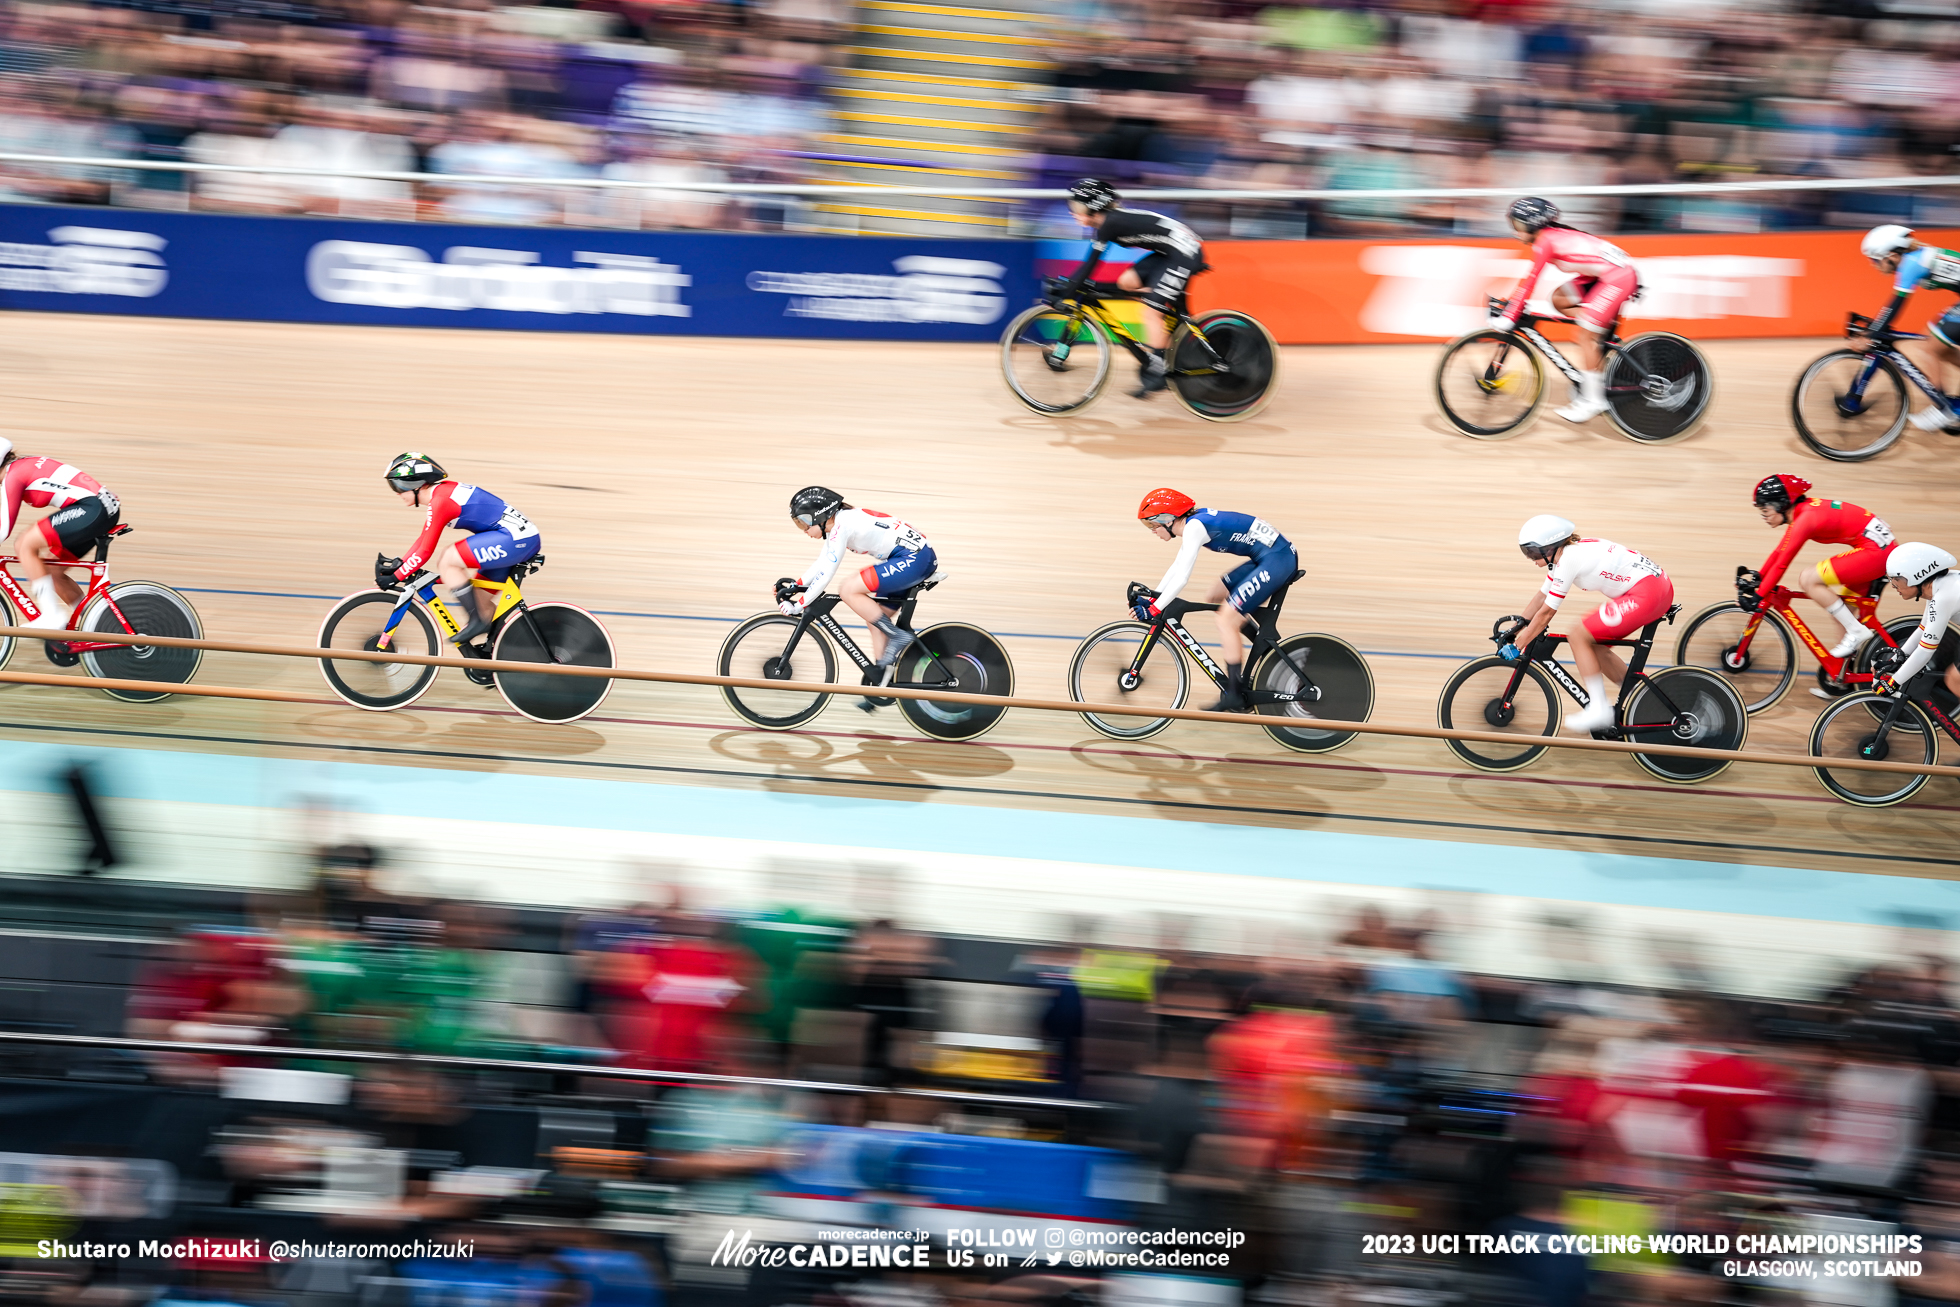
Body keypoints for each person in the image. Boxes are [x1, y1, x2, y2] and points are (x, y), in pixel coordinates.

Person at [1504, 515, 1674, 734]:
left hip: (1648, 594)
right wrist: (1516, 627)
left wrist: (1517, 645)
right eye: (1526, 552)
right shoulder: (1565, 554)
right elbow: (1541, 597)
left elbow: (1546, 613)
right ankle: (1642, 699)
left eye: (1533, 553)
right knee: (1593, 645)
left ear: (1551, 548)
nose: (1531, 559)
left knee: (1578, 634)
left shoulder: (1568, 559)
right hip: (1653, 588)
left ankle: (1599, 708)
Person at [1133, 488, 1298, 713]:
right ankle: (1261, 642)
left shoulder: (1194, 527)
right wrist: (1155, 597)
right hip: (1269, 556)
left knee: (1225, 621)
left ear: (1167, 519)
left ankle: (1234, 693)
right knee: (1214, 595)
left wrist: (1154, 608)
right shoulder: (1192, 524)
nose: (1152, 530)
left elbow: (1182, 577)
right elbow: (1177, 566)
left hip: (1278, 559)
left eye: (1151, 524)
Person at [1490, 197, 1641, 424]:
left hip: (1617, 278)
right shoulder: (1550, 235)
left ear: (1534, 225)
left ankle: (1593, 400)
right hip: (1605, 275)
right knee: (1559, 300)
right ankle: (1597, 338)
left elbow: (1530, 281)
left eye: (1519, 226)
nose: (1516, 232)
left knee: (1584, 336)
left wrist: (1510, 314)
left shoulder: (1545, 240)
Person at [1056, 178, 1206, 399]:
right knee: (1127, 283)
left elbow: (1090, 266)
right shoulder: (1105, 223)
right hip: (1171, 252)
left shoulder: (1109, 223)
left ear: (1093, 207)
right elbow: (1088, 267)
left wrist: (1066, 292)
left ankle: (1158, 366)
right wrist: (1068, 288)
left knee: (1150, 312)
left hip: (1185, 252)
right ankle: (1164, 330)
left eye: (1076, 207)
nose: (1072, 212)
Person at [381, 453, 540, 645]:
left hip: (515, 539)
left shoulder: (441, 501)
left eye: (399, 486)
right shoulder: (440, 495)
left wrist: (395, 577)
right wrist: (400, 567)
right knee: (483, 607)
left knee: (447, 559)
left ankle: (477, 621)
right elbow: (423, 541)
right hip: (515, 538)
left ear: (418, 484)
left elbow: (425, 552)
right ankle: (493, 653)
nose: (397, 492)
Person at [778, 486, 936, 674]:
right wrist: (796, 586)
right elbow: (822, 562)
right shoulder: (839, 522)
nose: (803, 530)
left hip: (914, 559)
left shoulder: (841, 526)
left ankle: (896, 636)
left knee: (848, 589)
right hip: (910, 558)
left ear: (820, 516)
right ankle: (881, 678)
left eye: (804, 523)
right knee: (875, 617)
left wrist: (799, 605)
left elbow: (827, 574)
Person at [1750, 473, 1897, 673]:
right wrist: (1759, 578)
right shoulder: (1803, 513)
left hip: (1876, 551)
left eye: (1765, 510)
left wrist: (1759, 595)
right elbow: (1779, 551)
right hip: (1879, 547)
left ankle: (1856, 631)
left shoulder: (1806, 518)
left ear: (1782, 504)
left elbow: (1782, 564)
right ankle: (1842, 677)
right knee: (1842, 612)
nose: (1764, 516)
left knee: (1808, 578)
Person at [0, 438, 122, 630]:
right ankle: (98, 625)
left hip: (92, 509)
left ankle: (52, 616)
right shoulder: (21, 465)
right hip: (99, 508)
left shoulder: (13, 476)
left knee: (24, 544)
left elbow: (3, 529)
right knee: (53, 572)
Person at [1856, 224, 1960, 432]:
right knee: (1943, 349)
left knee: (1930, 346)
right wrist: (1875, 329)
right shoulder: (1915, 258)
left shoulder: (1912, 263)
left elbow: (1895, 305)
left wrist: (1872, 332)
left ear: (1891, 255)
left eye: (1875, 259)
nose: (1873, 265)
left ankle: (1946, 410)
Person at [1874, 542, 1960, 706]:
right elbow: (1923, 630)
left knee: (1955, 680)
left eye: (1896, 579)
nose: (1894, 586)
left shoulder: (1943, 597)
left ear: (1916, 576)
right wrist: (1895, 660)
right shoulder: (1938, 588)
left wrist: (1893, 682)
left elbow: (1925, 651)